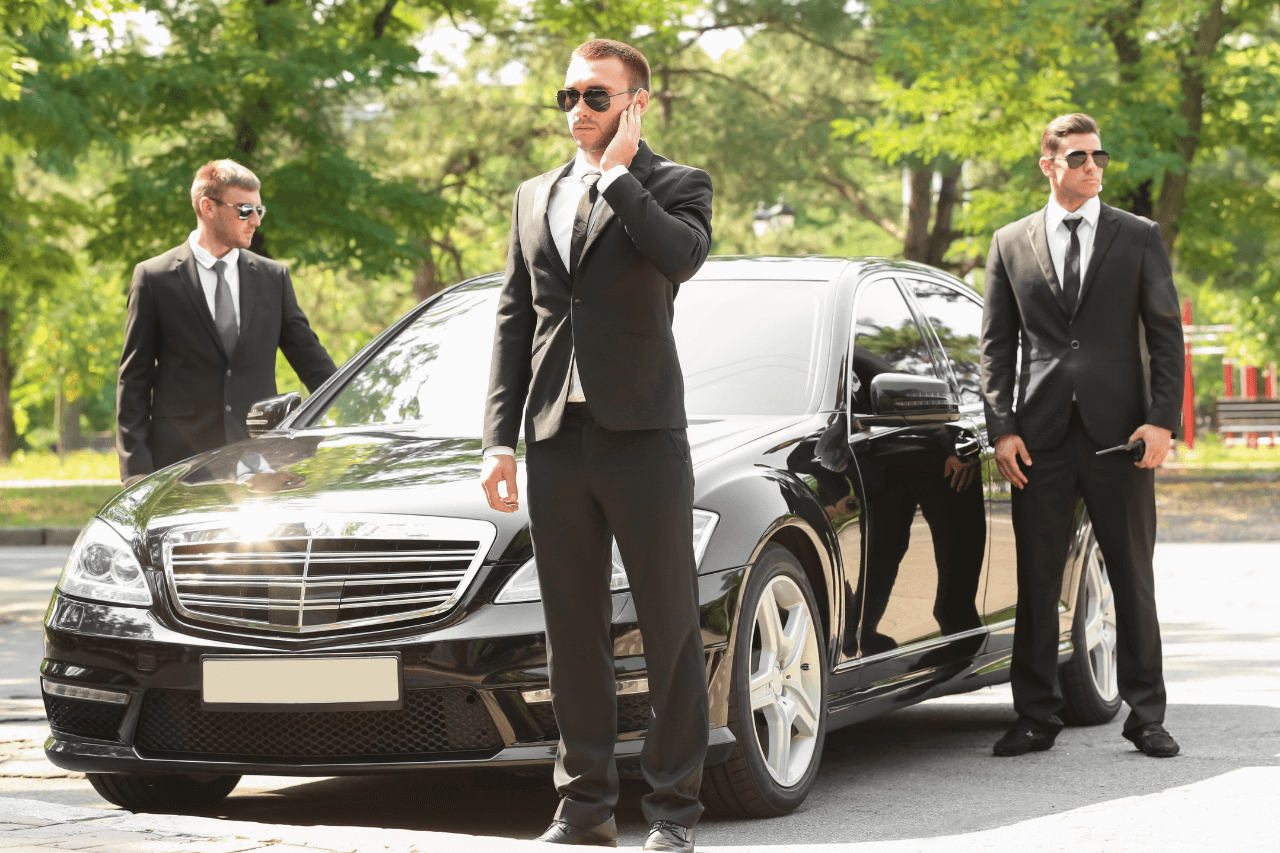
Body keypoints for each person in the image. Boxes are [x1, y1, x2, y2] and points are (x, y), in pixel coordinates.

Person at [480, 38, 712, 853]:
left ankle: (675, 812)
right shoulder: (532, 194)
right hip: (554, 442)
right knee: (570, 629)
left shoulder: (677, 185)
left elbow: (681, 257)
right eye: (568, 95)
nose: (577, 108)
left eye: (596, 96)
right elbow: (517, 318)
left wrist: (617, 174)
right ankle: (583, 811)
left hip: (645, 438)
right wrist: (498, 440)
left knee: (668, 624)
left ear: (636, 104)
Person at [980, 113, 1185, 759]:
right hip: (1038, 438)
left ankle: (1146, 714)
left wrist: (1161, 419)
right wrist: (1002, 429)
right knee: (1037, 582)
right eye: (1077, 157)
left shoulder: (1139, 236)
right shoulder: (1010, 241)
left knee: (1131, 574)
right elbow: (996, 348)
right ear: (1049, 165)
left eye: (1098, 155)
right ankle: (1036, 715)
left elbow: (1165, 336)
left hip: (1121, 435)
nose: (1092, 165)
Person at [116, 159, 336, 484]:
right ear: (208, 207)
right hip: (181, 468)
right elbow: (134, 382)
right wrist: (136, 472)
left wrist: (360, 409)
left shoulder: (273, 277)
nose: (256, 222)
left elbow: (312, 361)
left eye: (260, 211)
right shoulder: (154, 278)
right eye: (246, 210)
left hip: (263, 469)